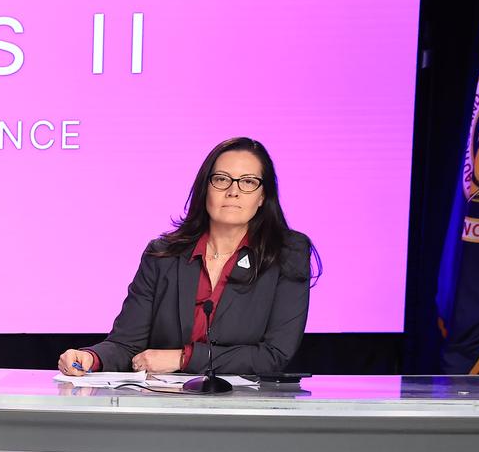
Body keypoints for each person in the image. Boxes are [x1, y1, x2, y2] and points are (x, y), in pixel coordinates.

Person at [58, 136, 317, 377]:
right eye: (222, 179)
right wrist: (91, 358)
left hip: (249, 411)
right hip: (166, 408)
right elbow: (127, 344)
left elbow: (274, 355)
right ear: (206, 188)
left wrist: (183, 359)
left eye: (248, 182)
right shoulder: (162, 255)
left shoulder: (287, 254)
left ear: (263, 196)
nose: (233, 191)